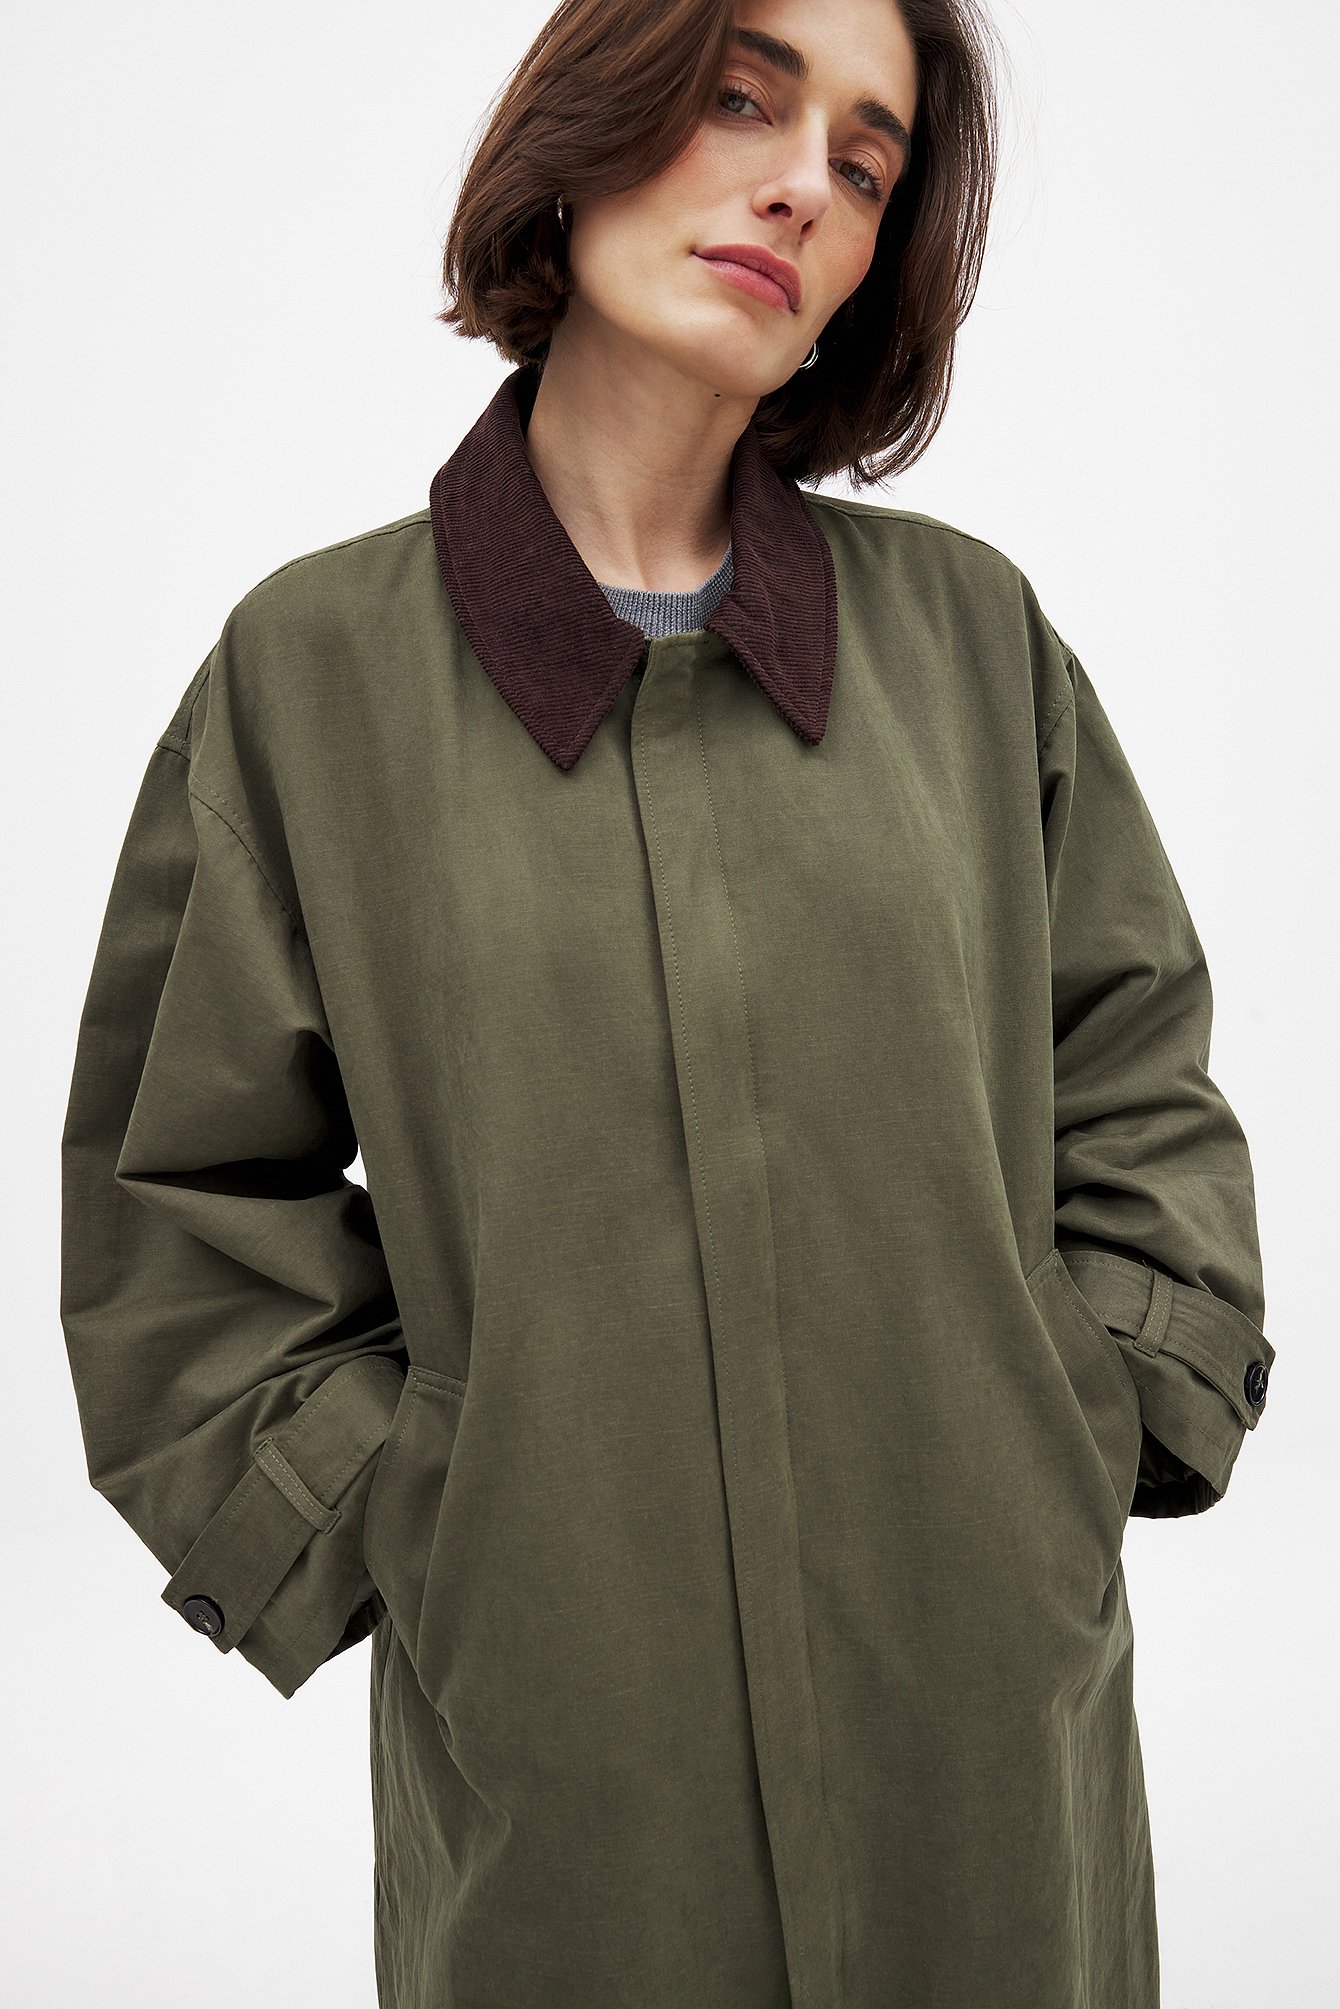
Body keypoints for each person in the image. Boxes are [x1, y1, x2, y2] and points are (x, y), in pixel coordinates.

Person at [58, 2, 1275, 2004]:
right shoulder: (311, 677)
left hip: (986, 1743)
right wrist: (423, 1525)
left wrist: (1077, 1419)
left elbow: (1135, 1074)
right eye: (741, 98)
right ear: (592, 119)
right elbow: (178, 1201)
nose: (802, 186)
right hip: (562, 1789)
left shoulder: (971, 644)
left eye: (864, 165)